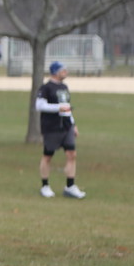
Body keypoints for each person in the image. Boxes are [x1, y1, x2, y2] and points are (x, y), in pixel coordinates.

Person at [37, 61, 85, 198]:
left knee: (72, 154)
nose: (66, 72)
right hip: (51, 127)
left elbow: (67, 107)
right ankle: (45, 186)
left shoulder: (64, 87)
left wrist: (73, 124)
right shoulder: (46, 88)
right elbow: (39, 105)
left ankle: (70, 186)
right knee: (48, 156)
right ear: (55, 72)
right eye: (63, 70)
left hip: (66, 126)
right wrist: (57, 108)